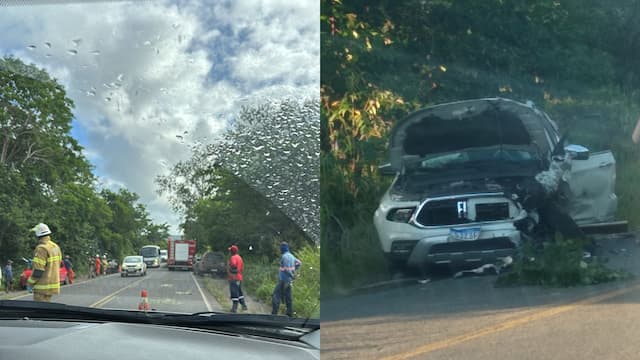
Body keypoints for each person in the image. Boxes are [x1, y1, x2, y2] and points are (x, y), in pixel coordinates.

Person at [26, 223, 62, 302]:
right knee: (47, 311)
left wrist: (30, 283)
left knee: (39, 312)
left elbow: (38, 270)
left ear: (38, 234)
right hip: (52, 286)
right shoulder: (55, 246)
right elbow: (57, 264)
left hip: (41, 287)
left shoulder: (41, 248)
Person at [271, 242, 301, 317]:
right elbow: (299, 263)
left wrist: (292, 275)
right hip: (289, 281)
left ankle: (274, 314)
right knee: (288, 297)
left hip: (283, 280)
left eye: (280, 248)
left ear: (282, 249)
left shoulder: (284, 257)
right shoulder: (291, 256)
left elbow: (287, 269)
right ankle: (289, 314)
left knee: (276, 295)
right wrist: (295, 270)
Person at [227, 245, 247, 313]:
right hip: (239, 277)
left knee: (234, 292)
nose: (229, 252)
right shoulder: (239, 257)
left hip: (234, 277)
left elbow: (234, 265)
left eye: (230, 251)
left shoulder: (233, 258)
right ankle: (244, 305)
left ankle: (234, 308)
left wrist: (230, 269)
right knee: (239, 292)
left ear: (232, 252)